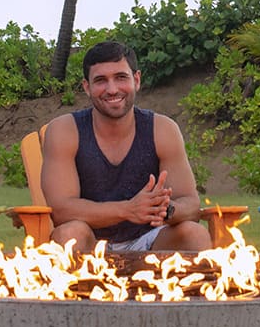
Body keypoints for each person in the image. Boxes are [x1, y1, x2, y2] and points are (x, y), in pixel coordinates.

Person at [38, 40, 213, 254]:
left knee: (195, 235)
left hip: (150, 240)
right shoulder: (65, 130)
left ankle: (198, 289)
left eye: (121, 77)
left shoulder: (162, 129)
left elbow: (191, 204)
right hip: (90, 243)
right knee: (69, 234)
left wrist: (164, 210)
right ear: (87, 87)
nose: (112, 89)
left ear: (136, 80)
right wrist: (128, 210)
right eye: (101, 80)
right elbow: (61, 210)